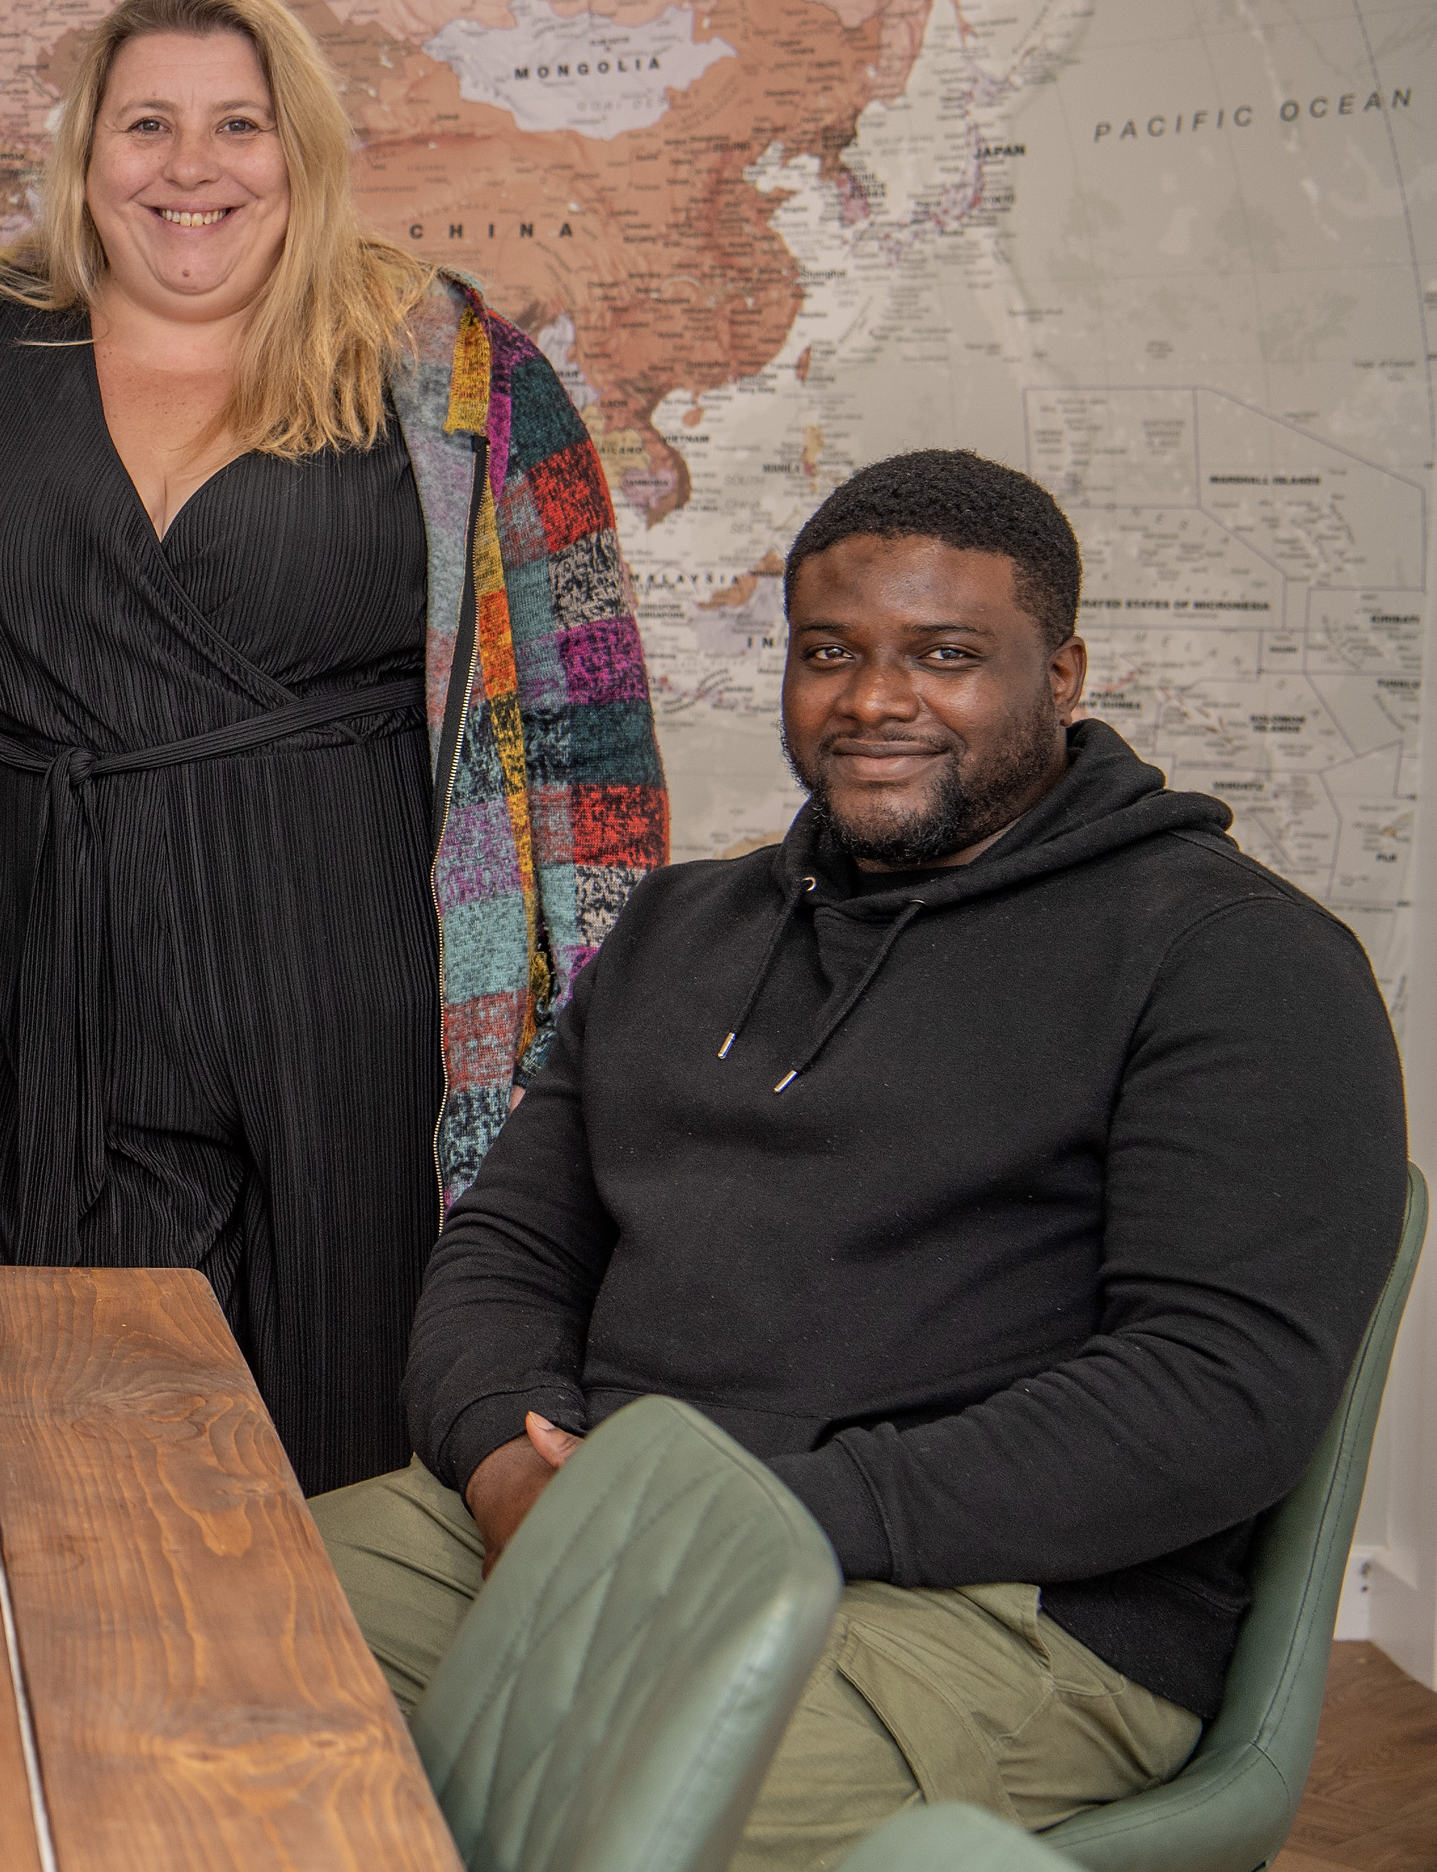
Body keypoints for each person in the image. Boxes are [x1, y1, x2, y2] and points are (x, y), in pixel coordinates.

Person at [315, 449, 1408, 1864]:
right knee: (159, 1643)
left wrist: (724, 1516)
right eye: (829, 652)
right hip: (582, 1520)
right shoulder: (680, 928)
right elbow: (509, 1247)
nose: (874, 699)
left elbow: (1214, 1393)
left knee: (564, 1814)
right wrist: (508, 1470)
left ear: (1061, 675)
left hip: (980, 1605)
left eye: (945, 654)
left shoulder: (1236, 961)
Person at [0, 0, 665, 1493]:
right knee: (70, 1448)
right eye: (147, 123)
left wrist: (610, 1081)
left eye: (239, 124)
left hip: (358, 1008)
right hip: (44, 989)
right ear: (87, 148)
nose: (190, 166)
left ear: (301, 150)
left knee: (351, 1446)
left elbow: (589, 731)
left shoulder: (453, 364)